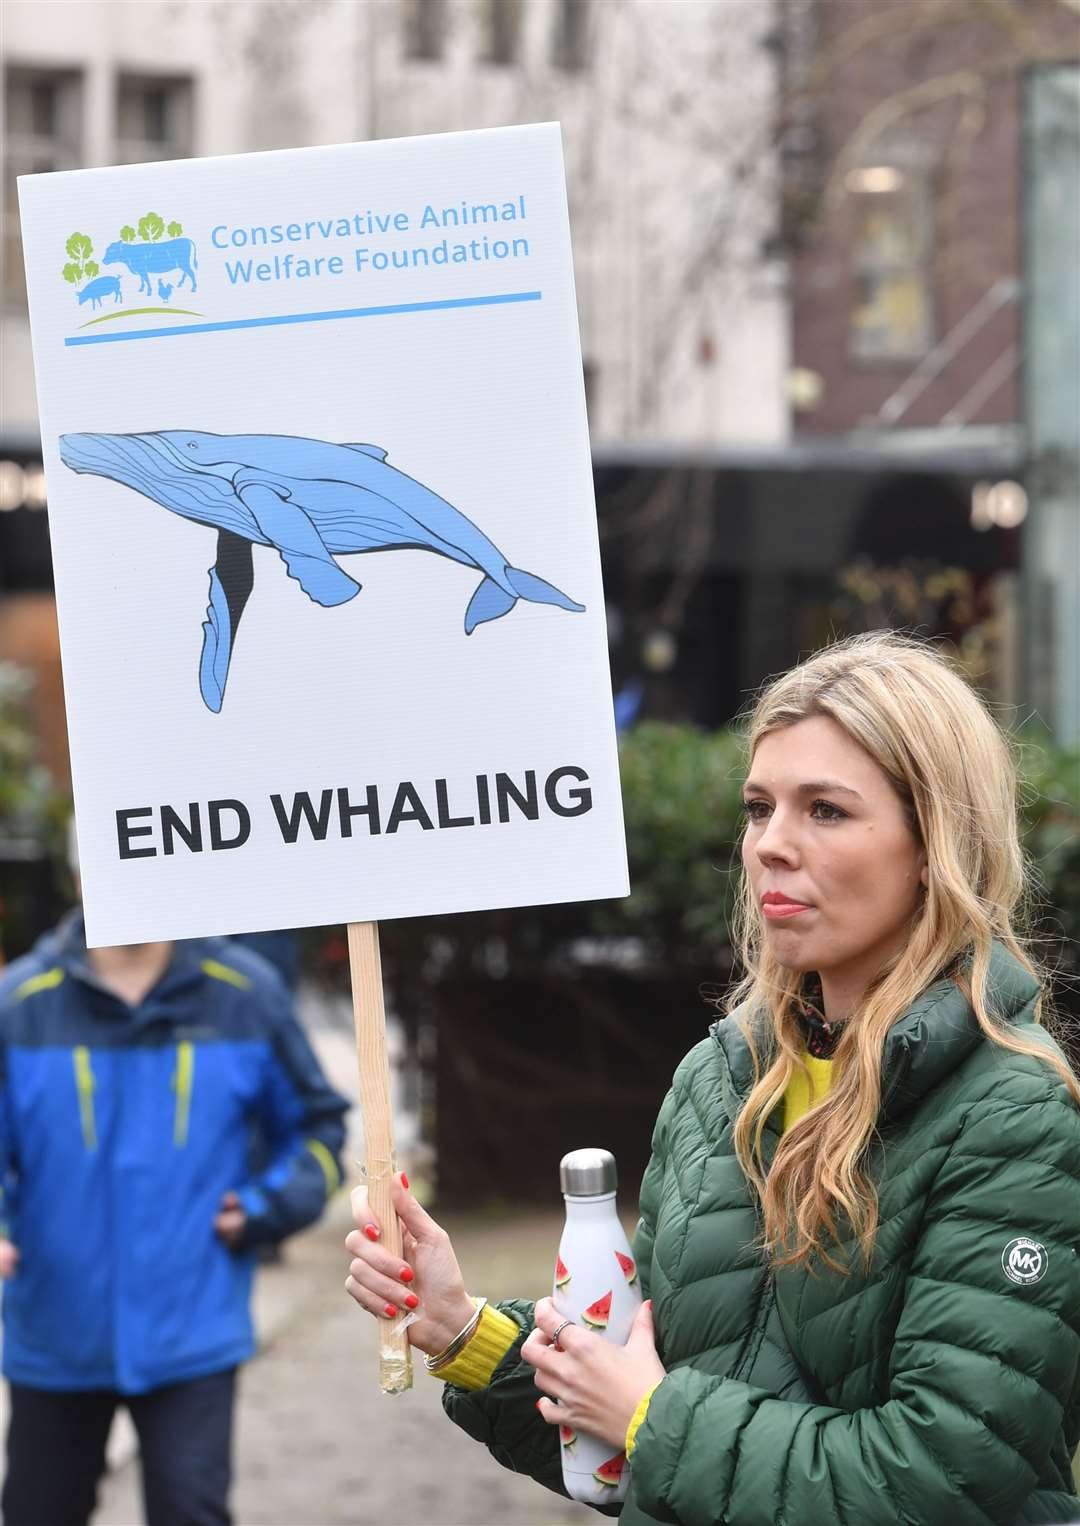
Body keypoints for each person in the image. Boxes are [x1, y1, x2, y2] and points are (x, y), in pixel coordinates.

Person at [344, 632, 1080, 1525]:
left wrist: (654, 1417)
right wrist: (464, 1330)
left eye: (827, 811)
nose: (771, 844)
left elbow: (941, 1477)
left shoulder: (1015, 1118)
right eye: (759, 806)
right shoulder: (721, 1079)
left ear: (934, 845)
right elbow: (628, 1445)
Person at [0, 907, 348, 1526]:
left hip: (193, 1331)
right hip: (54, 1334)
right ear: (84, 867)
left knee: (192, 1512)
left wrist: (267, 1206)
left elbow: (318, 1131)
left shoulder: (243, 991)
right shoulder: (20, 1002)